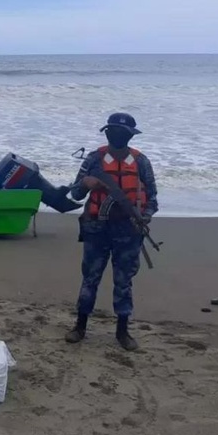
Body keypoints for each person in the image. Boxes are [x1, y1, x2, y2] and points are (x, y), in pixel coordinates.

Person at [65, 113, 158, 351]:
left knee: (123, 281)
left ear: (130, 136)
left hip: (128, 231)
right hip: (96, 228)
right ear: (107, 133)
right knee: (90, 279)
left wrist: (143, 218)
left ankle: (122, 331)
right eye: (112, 131)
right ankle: (80, 326)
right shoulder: (94, 159)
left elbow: (152, 199)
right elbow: (75, 194)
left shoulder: (141, 162)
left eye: (121, 132)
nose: (116, 135)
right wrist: (86, 183)